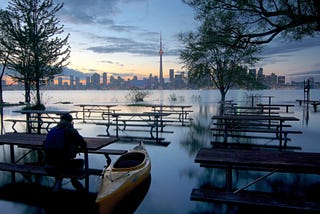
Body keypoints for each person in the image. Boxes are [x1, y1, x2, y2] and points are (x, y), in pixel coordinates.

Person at [43, 113, 87, 192]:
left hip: (47, 164)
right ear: (70, 121)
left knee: (60, 159)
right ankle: (75, 182)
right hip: (60, 166)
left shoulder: (52, 129)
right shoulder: (71, 131)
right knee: (80, 162)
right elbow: (84, 144)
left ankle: (58, 182)